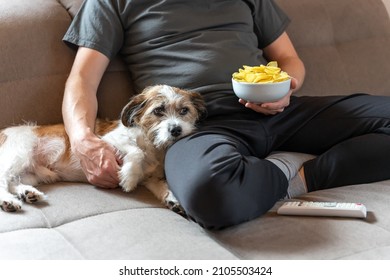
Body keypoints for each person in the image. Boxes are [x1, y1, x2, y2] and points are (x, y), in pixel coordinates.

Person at [62, 0, 390, 229]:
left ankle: (301, 176)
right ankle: (287, 175)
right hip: (198, 123)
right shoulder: (111, 1)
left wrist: (286, 87)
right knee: (210, 195)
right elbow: (82, 80)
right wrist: (82, 140)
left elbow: (289, 59)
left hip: (279, 109)